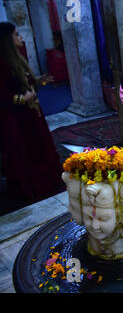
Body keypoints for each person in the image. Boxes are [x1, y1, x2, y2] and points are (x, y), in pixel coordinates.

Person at [0, 22, 63, 203]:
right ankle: (33, 189)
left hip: (30, 113)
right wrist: (22, 99)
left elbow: (24, 83)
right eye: (16, 35)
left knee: (39, 147)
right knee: (26, 153)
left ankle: (48, 182)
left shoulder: (16, 59)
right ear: (7, 40)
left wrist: (40, 81)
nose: (20, 37)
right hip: (16, 119)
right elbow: (4, 97)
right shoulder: (3, 64)